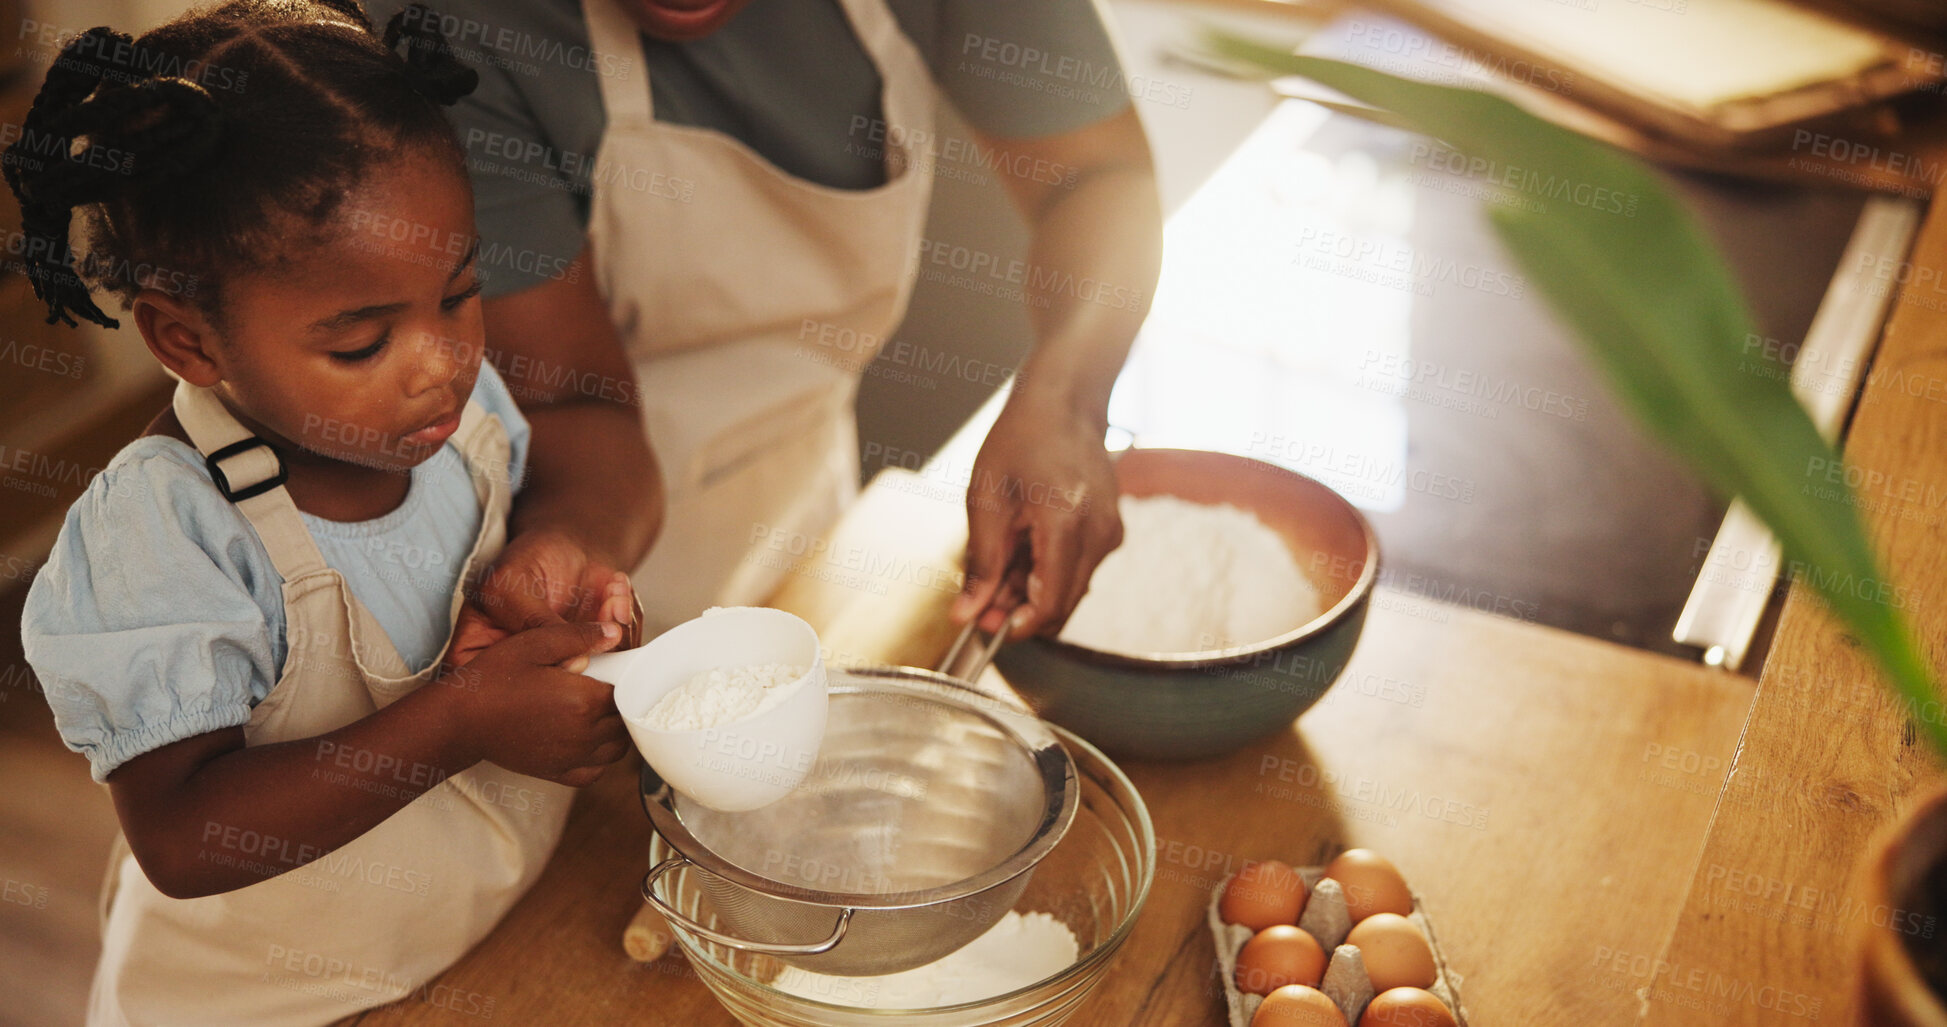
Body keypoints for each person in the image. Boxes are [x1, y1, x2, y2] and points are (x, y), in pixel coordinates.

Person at [12, 4, 635, 1023]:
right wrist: (462, 720)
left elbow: (575, 488)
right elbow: (181, 836)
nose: (441, 364)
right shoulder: (167, 532)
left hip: (472, 946)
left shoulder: (465, 425)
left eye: (460, 292)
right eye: (360, 345)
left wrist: (564, 569)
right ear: (190, 342)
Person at [366, 0, 1165, 639]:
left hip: (807, 513)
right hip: (583, 530)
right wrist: (570, 554)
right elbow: (568, 402)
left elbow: (1097, 176)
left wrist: (1065, 398)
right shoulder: (449, 27)